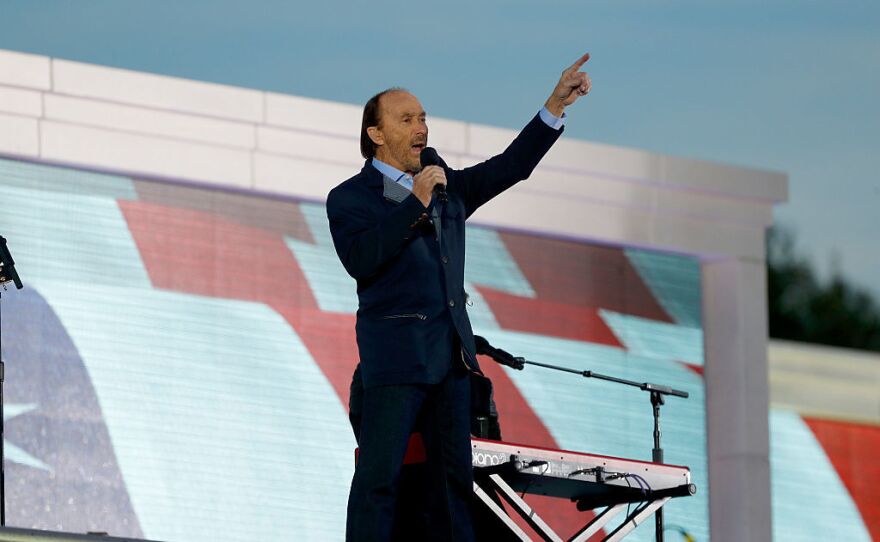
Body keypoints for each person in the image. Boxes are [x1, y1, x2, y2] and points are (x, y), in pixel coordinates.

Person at [326, 53, 592, 542]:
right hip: (395, 363)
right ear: (377, 135)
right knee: (378, 481)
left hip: (449, 362)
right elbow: (362, 260)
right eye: (406, 119)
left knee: (454, 487)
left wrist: (554, 105)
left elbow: (512, 167)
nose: (420, 127)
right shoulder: (350, 198)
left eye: (423, 117)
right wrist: (414, 203)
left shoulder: (448, 188)